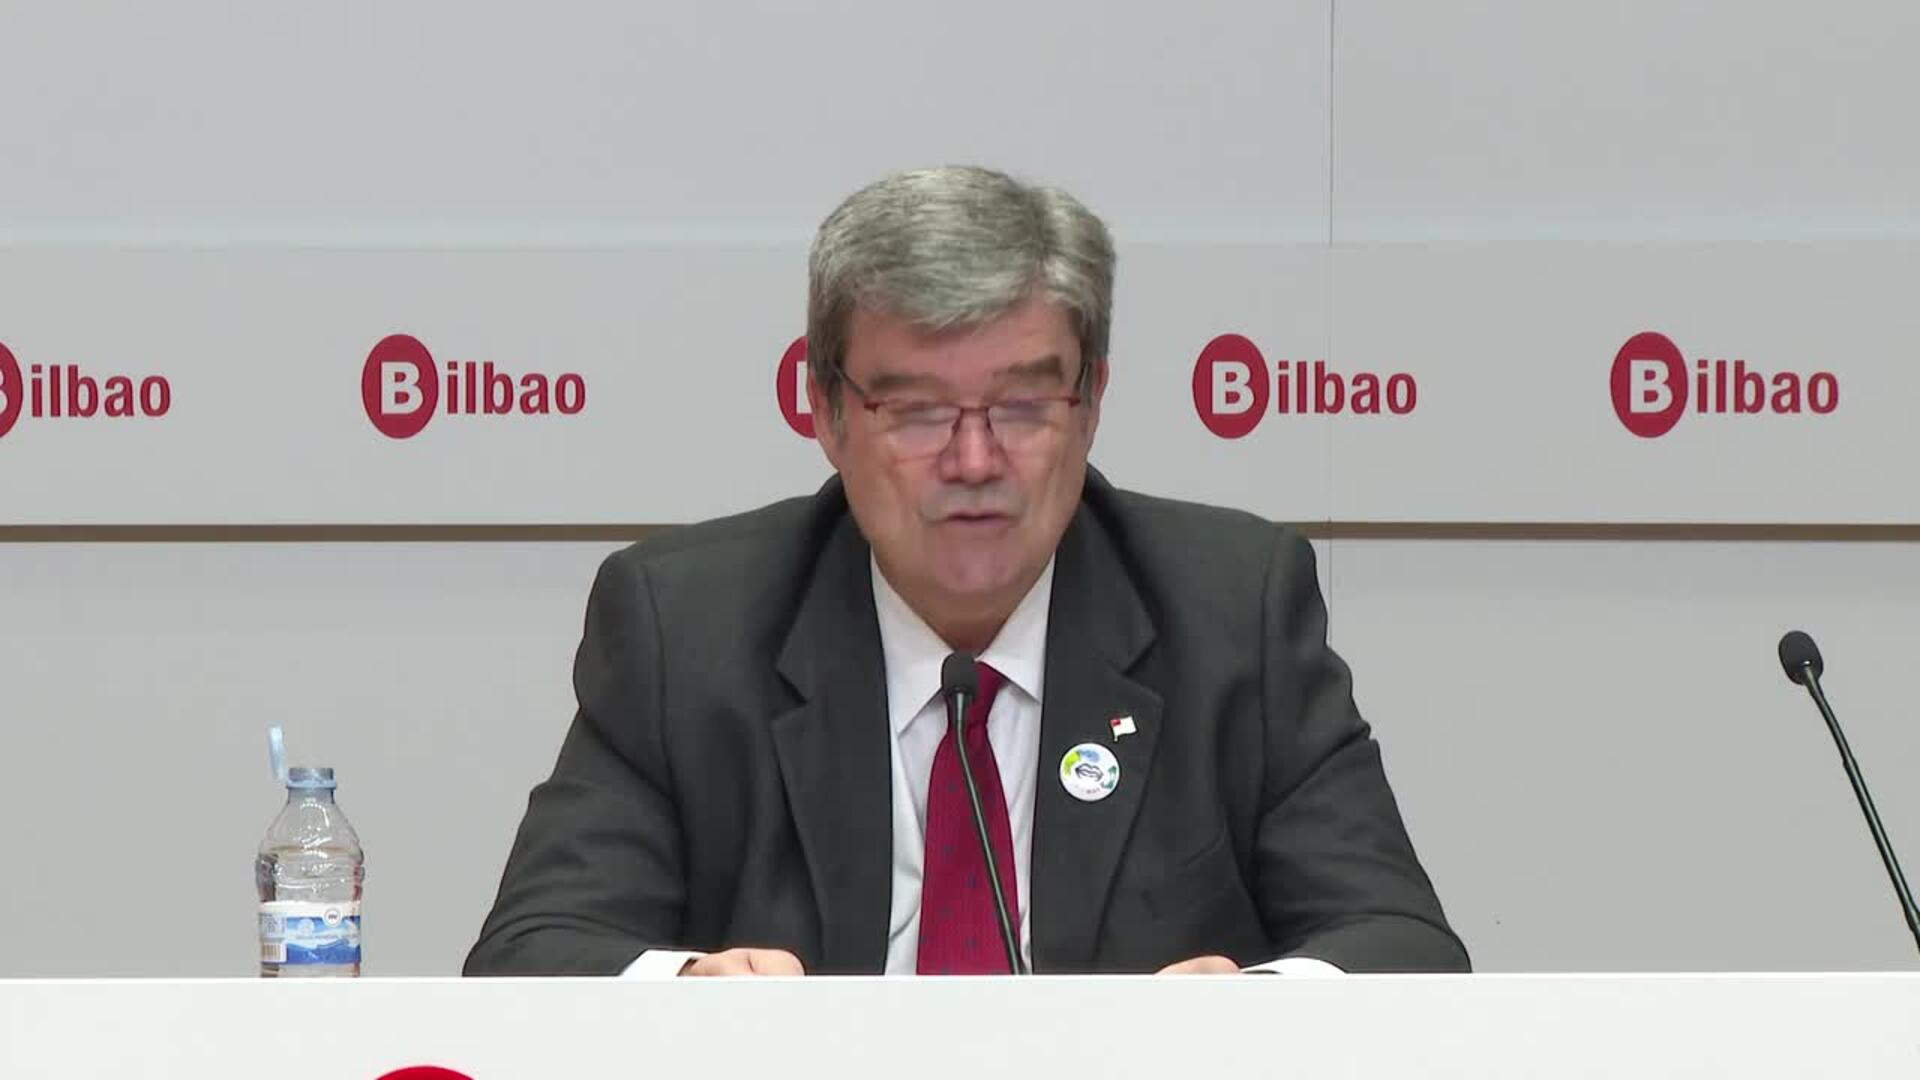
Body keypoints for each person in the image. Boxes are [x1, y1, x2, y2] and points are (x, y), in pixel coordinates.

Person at [465, 166, 1467, 977]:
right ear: (826, 414)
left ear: (1091, 403)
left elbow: (1404, 949)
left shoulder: (1232, 611)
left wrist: (1254, 1008)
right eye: (917, 412)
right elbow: (531, 956)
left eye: (1024, 407)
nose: (976, 460)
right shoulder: (686, 627)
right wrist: (690, 992)